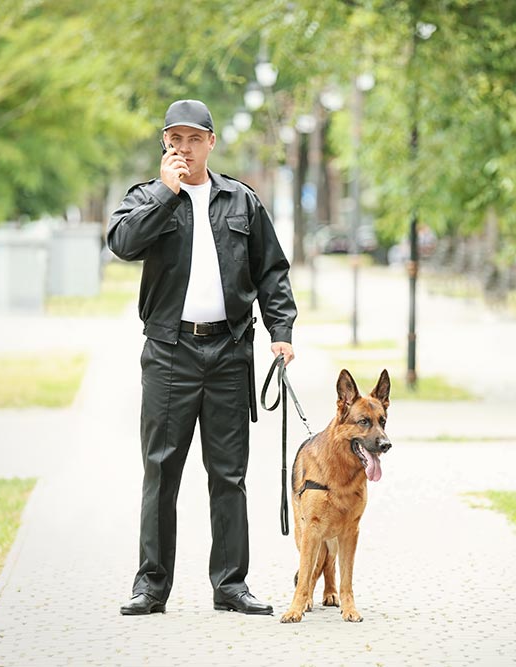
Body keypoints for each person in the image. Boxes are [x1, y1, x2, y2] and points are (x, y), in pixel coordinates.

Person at [108, 99, 297, 616]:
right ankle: (151, 585)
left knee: (229, 474)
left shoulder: (242, 201)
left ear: (211, 142)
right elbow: (122, 244)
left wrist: (281, 331)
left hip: (231, 352)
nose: (184, 148)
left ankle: (231, 585)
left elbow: (271, 271)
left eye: (194, 139)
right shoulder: (146, 198)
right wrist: (168, 195)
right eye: (175, 139)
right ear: (165, 144)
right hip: (170, 353)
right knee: (161, 471)